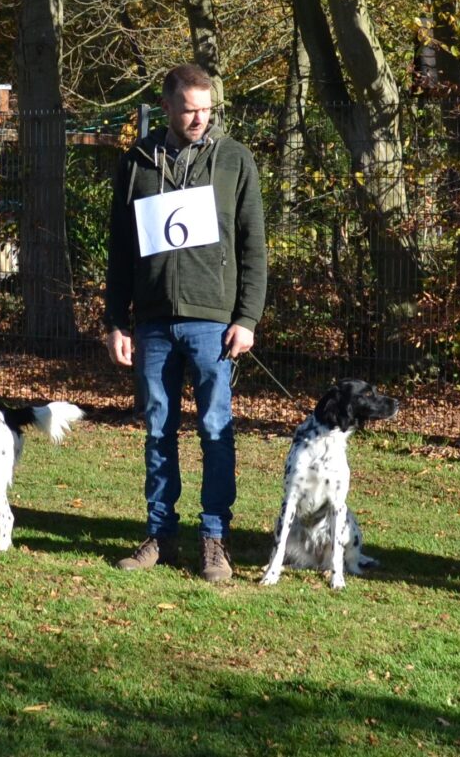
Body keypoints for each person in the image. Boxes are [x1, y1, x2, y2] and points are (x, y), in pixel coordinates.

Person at [105, 64, 267, 583]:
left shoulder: (235, 160)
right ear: (168, 106)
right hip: (152, 323)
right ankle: (160, 532)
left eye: (206, 108)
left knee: (215, 428)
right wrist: (116, 320)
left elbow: (253, 246)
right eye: (189, 108)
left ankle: (215, 539)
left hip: (213, 322)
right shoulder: (136, 163)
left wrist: (247, 317)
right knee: (158, 429)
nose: (199, 117)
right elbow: (121, 251)